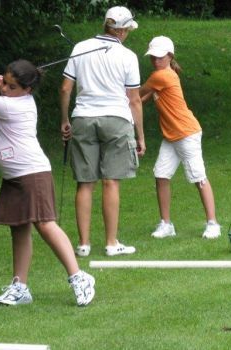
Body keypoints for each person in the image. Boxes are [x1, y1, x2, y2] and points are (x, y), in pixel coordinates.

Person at [0, 59, 95, 306]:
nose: (6, 89)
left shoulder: (17, 105)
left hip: (32, 174)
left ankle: (79, 277)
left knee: (46, 225)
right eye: (5, 83)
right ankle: (20, 287)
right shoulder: (7, 102)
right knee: (19, 228)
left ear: (27, 90)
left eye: (12, 86)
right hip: (15, 177)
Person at [59, 6, 145, 257]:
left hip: (83, 118)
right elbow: (135, 100)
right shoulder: (128, 56)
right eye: (127, 29)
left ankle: (83, 244)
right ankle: (110, 243)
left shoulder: (80, 47)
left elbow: (65, 89)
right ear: (120, 30)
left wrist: (65, 120)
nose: (128, 33)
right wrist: (140, 135)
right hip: (116, 120)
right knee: (111, 182)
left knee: (85, 183)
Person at [139, 36, 221, 239]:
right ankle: (166, 224)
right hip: (171, 136)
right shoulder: (162, 76)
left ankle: (213, 224)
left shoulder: (162, 76)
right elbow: (139, 100)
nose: (155, 61)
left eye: (159, 57)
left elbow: (134, 95)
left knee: (198, 177)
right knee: (161, 174)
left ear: (169, 56)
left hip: (186, 133)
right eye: (153, 57)